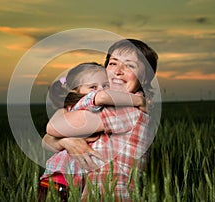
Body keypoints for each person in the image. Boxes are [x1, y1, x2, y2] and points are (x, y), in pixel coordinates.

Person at [43, 39, 158, 201]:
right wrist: (67, 142)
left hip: (110, 193)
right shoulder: (107, 104)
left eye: (130, 66)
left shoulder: (129, 109)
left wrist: (63, 134)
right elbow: (47, 140)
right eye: (113, 63)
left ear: (144, 79)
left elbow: (55, 127)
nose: (118, 71)